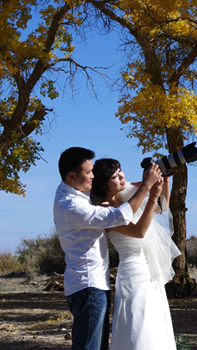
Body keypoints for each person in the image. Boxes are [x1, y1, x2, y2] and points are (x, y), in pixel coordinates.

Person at [54, 147, 162, 350]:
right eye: (88, 173)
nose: (93, 177)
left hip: (90, 283)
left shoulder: (73, 191)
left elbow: (123, 188)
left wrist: (160, 173)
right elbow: (119, 216)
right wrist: (147, 185)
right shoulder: (72, 205)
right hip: (88, 285)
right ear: (71, 175)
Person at [91, 158, 181, 350]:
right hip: (134, 271)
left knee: (155, 324)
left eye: (120, 171)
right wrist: (150, 193)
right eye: (115, 176)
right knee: (138, 322)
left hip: (151, 268)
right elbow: (139, 232)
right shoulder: (104, 210)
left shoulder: (130, 191)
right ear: (103, 184)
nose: (122, 176)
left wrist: (164, 181)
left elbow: (162, 207)